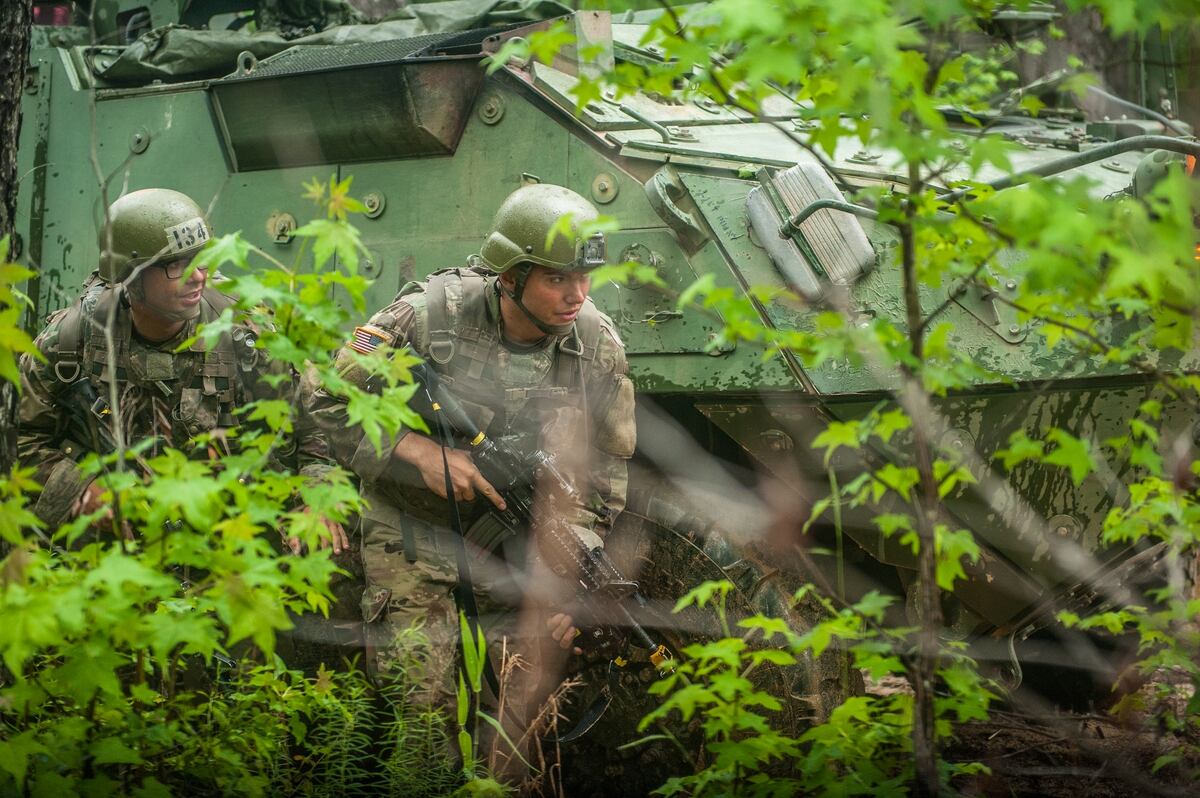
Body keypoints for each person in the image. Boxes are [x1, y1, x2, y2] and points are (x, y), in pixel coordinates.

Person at [304, 182, 636, 730]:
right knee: (420, 714)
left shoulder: (596, 344)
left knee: (520, 721)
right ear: (509, 277)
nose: (577, 294)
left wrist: (572, 569)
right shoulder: (426, 318)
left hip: (521, 540)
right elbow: (323, 399)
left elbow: (605, 473)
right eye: (557, 278)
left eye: (585, 276)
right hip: (415, 526)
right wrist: (416, 452)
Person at [17, 187, 347, 553]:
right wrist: (80, 489)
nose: (198, 276)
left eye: (202, 259)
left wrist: (315, 502)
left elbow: (313, 425)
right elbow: (20, 439)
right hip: (114, 549)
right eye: (177, 265)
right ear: (131, 275)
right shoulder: (69, 342)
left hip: (230, 544)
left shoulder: (244, 333)